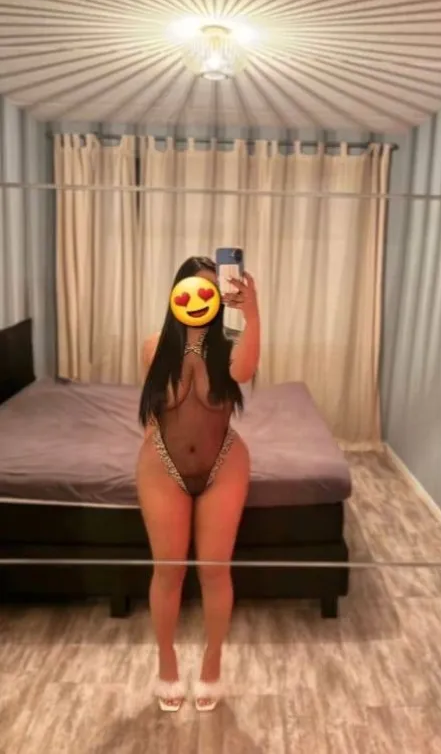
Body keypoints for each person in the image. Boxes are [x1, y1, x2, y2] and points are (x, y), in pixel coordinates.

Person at [136, 255, 260, 713]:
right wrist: (152, 453)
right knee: (168, 571)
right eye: (191, 288)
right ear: (176, 294)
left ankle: (212, 662)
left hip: (223, 462)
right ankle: (166, 662)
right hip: (164, 463)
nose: (199, 298)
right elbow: (153, 411)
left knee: (214, 569)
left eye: (210, 289)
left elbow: (244, 372)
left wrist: (252, 314)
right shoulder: (154, 347)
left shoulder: (228, 349)